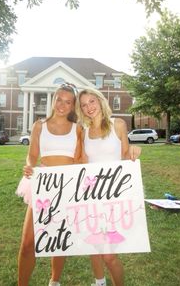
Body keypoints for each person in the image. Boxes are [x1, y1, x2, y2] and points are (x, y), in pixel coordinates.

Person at [16, 83, 82, 286]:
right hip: (43, 184)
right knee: (28, 243)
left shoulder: (78, 129)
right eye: (59, 99)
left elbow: (80, 159)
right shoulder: (39, 125)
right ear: (53, 100)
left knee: (58, 240)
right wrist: (29, 166)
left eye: (68, 101)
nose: (62, 105)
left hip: (67, 186)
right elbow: (32, 155)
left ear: (73, 105)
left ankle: (54, 281)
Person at [75, 87, 141, 286]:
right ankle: (100, 282)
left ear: (100, 101)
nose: (89, 107)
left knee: (109, 256)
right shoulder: (83, 131)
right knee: (94, 246)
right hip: (92, 198)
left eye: (92, 102)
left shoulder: (118, 125)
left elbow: (125, 157)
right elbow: (83, 165)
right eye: (84, 105)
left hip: (114, 198)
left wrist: (135, 151)